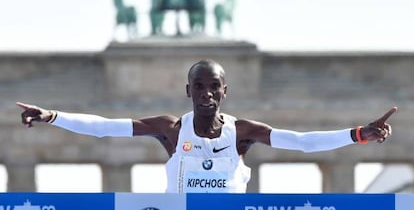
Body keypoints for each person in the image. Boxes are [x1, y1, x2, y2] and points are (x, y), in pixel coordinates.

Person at [17, 59, 397, 193]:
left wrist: (359, 135)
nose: (207, 93)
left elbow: (300, 142)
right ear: (188, 90)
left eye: (214, 86)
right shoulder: (170, 129)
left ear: (224, 91)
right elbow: (105, 128)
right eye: (199, 86)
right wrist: (53, 116)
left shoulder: (242, 132)